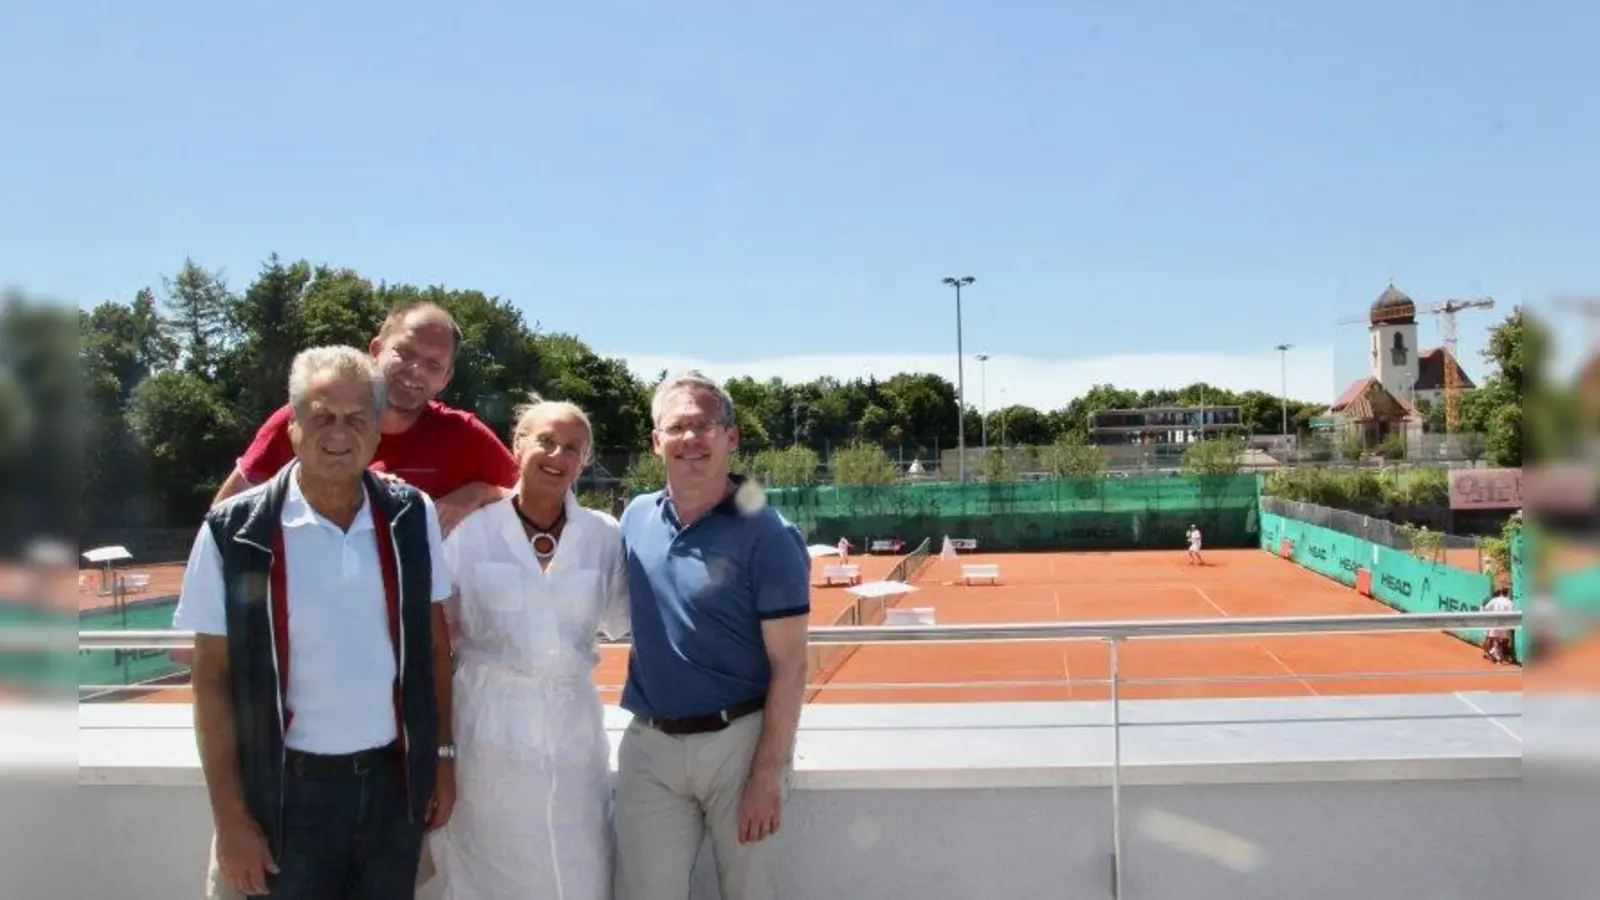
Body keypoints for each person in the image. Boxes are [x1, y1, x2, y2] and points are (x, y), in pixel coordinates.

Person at [173, 346, 456, 899]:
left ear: (376, 432)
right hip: (283, 800)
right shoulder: (234, 532)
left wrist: (442, 757)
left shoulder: (410, 515)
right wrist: (231, 820)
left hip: (391, 793)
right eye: (321, 416)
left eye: (356, 419)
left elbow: (434, 648)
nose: (338, 433)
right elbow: (211, 681)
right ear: (293, 427)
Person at [614, 371, 811, 900]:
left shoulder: (768, 533)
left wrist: (767, 774)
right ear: (656, 442)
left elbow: (792, 664)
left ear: (731, 437)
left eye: (704, 426)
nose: (691, 440)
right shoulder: (634, 517)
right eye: (676, 427)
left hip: (739, 747)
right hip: (650, 748)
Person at [429, 396, 629, 900]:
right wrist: (440, 752)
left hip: (573, 735)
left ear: (584, 462)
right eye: (545, 441)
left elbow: (627, 619)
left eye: (572, 448)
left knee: (582, 869)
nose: (557, 455)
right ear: (518, 445)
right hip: (485, 732)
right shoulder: (466, 530)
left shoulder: (604, 536)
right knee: (487, 870)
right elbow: (436, 635)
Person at [212, 300, 519, 536]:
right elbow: (224, 515)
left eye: (433, 364)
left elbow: (534, 499)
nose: (416, 370)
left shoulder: (465, 436)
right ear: (376, 349)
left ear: (446, 378)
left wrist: (478, 493)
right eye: (405, 352)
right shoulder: (308, 417)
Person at [1482, 585, 1517, 664]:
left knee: (1491, 638)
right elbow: (1513, 614)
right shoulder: (1510, 602)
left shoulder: (1494, 600)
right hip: (1504, 624)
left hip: (1494, 622)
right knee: (1504, 640)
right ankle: (1494, 651)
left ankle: (1490, 651)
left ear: (1501, 592)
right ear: (1507, 593)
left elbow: (1486, 609)